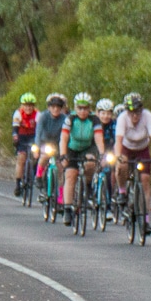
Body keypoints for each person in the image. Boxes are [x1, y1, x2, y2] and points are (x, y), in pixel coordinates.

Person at [114, 92, 151, 237]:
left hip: (142, 149)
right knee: (121, 166)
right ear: (127, 112)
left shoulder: (147, 116)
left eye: (138, 112)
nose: (135, 116)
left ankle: (146, 220)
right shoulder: (122, 118)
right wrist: (118, 157)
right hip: (126, 148)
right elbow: (118, 141)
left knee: (145, 181)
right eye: (131, 112)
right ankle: (122, 191)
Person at [58, 93, 105, 224]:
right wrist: (63, 154)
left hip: (87, 148)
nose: (83, 111)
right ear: (75, 108)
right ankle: (67, 209)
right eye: (80, 108)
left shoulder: (94, 120)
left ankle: (87, 188)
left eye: (85, 108)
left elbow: (99, 139)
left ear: (89, 108)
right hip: (72, 148)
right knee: (70, 175)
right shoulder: (70, 119)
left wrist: (102, 154)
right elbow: (64, 138)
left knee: (91, 163)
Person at [34, 92, 68, 183]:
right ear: (49, 107)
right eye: (53, 107)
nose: (55, 109)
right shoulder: (43, 116)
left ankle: (61, 192)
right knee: (44, 157)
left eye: (58, 107)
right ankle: (38, 176)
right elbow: (38, 132)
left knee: (61, 168)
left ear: (61, 108)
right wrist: (37, 148)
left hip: (57, 143)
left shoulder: (65, 118)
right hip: (45, 142)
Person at [10, 92, 38, 194]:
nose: (28, 108)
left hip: (33, 136)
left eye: (30, 105)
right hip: (22, 137)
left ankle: (33, 174)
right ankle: (18, 184)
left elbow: (40, 129)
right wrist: (15, 138)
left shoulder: (37, 114)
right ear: (22, 106)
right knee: (21, 159)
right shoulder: (18, 113)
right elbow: (15, 129)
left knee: (36, 155)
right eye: (26, 105)